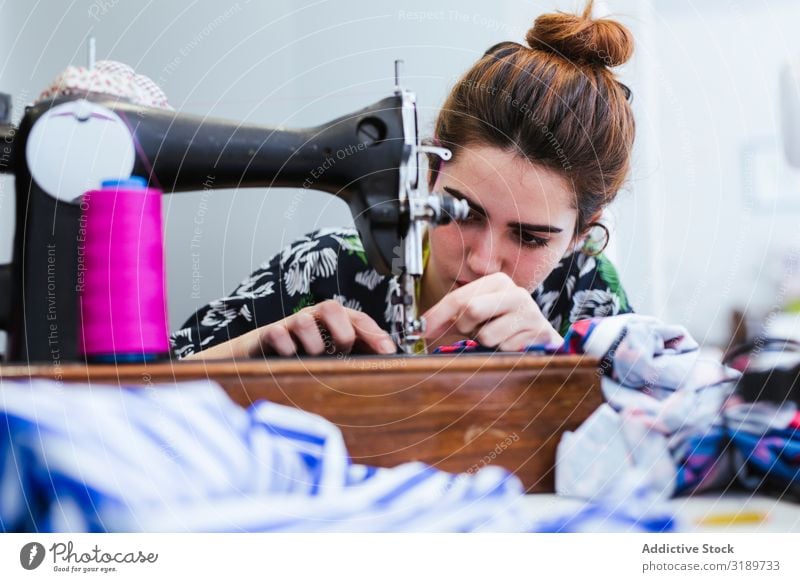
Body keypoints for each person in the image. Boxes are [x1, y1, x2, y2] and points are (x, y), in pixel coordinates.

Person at [171, 0, 635, 360]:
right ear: (431, 173)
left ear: (581, 233)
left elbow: (665, 441)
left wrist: (553, 363)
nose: (483, 262)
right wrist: (245, 356)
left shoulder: (585, 296)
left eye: (531, 238)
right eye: (463, 212)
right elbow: (123, 397)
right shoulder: (322, 271)